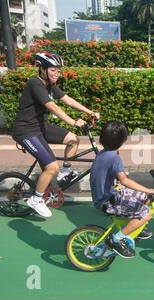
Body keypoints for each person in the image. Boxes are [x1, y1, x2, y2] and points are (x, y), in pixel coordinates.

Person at [12, 52, 100, 218]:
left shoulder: (49, 86)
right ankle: (36, 199)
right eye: (53, 69)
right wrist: (72, 121)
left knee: (73, 139)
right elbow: (53, 107)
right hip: (26, 131)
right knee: (52, 166)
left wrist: (90, 112)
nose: (57, 73)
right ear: (42, 69)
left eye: (58, 70)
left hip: (41, 127)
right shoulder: (34, 83)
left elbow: (69, 100)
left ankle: (65, 172)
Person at [90, 121, 154, 258]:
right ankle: (116, 239)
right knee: (147, 213)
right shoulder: (114, 157)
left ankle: (134, 225)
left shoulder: (103, 153)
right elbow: (125, 181)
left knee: (143, 198)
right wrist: (149, 190)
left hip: (106, 195)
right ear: (123, 140)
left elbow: (109, 173)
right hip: (108, 201)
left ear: (101, 138)